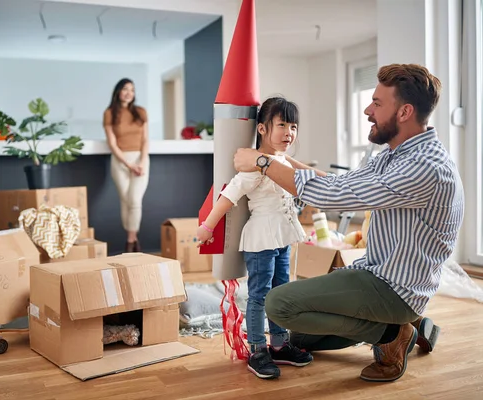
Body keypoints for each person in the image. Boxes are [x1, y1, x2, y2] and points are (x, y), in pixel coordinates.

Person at [232, 63, 465, 382]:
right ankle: (407, 324)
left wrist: (261, 163)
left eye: (378, 103)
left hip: (394, 287)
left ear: (404, 112)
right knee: (296, 337)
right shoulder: (392, 154)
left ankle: (392, 334)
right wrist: (278, 160)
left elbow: (331, 196)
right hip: (377, 271)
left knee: (278, 305)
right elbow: (339, 182)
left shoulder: (424, 167)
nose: (368, 110)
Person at [196, 97, 315, 380]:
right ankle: (257, 349)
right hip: (262, 239)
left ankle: (278, 343)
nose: (289, 132)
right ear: (262, 129)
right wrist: (207, 226)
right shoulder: (256, 166)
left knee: (280, 291)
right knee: (260, 295)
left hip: (282, 236)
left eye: (294, 126)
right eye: (282, 124)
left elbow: (306, 176)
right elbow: (228, 196)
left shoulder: (282, 161)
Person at [103, 78, 149, 253]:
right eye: (125, 89)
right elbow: (112, 144)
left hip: (141, 160)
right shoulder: (109, 113)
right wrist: (129, 165)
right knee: (126, 201)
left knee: (135, 200)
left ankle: (130, 242)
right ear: (118, 92)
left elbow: (145, 140)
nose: (129, 93)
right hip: (121, 161)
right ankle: (134, 240)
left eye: (132, 89)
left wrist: (142, 162)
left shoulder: (141, 112)